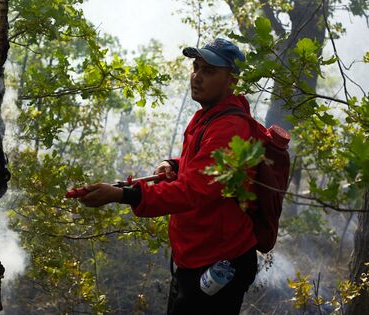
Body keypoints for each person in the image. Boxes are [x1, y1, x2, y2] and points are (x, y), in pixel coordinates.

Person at [79, 38, 258, 314]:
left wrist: (121, 194)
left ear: (231, 80)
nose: (197, 77)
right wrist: (172, 164)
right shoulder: (208, 116)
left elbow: (193, 190)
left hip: (218, 261)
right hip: (196, 257)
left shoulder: (229, 127)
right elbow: (204, 166)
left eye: (209, 71)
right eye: (196, 67)